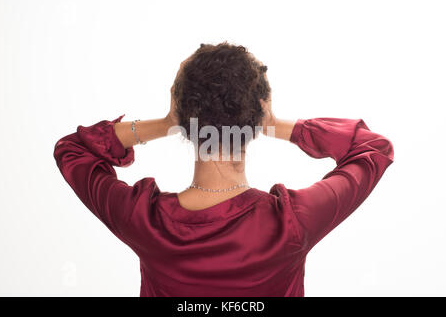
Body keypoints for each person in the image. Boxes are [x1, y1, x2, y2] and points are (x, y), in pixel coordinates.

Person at [53, 42, 394, 296]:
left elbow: (73, 150)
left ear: (183, 113)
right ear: (257, 116)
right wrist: (274, 124)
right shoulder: (290, 224)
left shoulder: (145, 221)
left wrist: (167, 122)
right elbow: (372, 147)